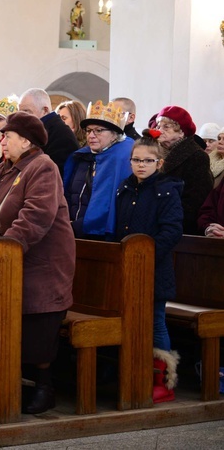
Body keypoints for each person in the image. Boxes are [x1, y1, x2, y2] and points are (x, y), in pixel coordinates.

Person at [0, 112, 74, 415]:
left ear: (26, 140)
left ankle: (44, 387)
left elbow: (36, 216)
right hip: (7, 262)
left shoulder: (43, 167)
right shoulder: (4, 169)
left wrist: (5, 250)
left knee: (36, 327)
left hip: (40, 265)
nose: (2, 141)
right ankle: (15, 385)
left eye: (7, 136)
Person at [114, 129, 183, 403]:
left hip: (154, 270)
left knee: (156, 322)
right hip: (128, 270)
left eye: (147, 161)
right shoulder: (125, 187)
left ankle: (163, 381)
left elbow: (172, 231)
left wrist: (144, 258)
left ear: (159, 163)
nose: (140, 165)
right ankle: (133, 373)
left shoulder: (167, 191)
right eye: (136, 160)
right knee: (130, 322)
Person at [63, 100, 133, 240]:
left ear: (114, 134)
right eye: (88, 130)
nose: (91, 135)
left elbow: (107, 205)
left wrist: (76, 226)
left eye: (98, 130)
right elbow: (69, 192)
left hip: (100, 237)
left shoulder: (122, 158)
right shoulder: (81, 157)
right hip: (71, 232)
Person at [153, 106, 213, 235]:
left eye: (166, 127)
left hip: (179, 228)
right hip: (155, 223)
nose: (159, 130)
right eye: (158, 126)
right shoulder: (154, 153)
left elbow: (194, 201)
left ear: (181, 132)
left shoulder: (197, 156)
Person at [18, 88, 79, 176]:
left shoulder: (60, 135)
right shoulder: (37, 130)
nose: (22, 117)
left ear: (45, 110)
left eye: (26, 111)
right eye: (20, 112)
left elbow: (52, 175)